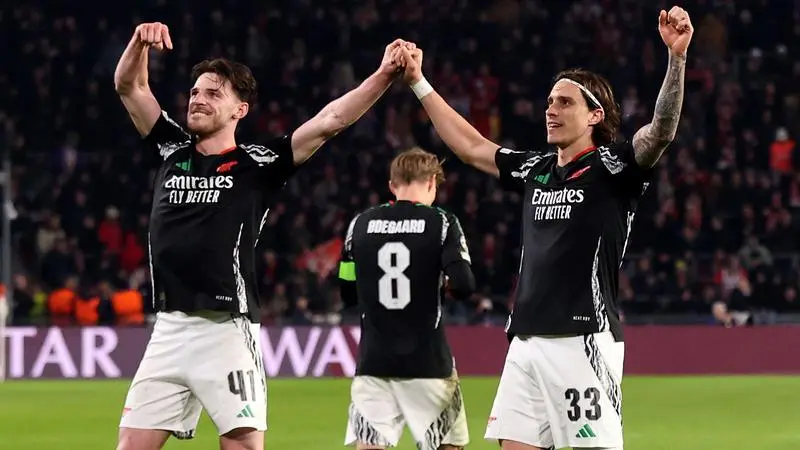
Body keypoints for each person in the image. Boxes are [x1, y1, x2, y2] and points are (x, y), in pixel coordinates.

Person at [394, 6, 693, 450]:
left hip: (584, 338)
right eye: (550, 102)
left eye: (565, 102)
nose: (551, 110)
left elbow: (662, 131)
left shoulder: (614, 167)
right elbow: (472, 146)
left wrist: (677, 58)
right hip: (526, 339)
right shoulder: (536, 169)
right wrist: (419, 82)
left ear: (595, 116)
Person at [113, 22, 406, 450]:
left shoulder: (259, 162)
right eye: (195, 91)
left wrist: (384, 74)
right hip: (169, 328)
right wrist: (139, 42)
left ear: (240, 110)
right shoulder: (171, 149)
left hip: (226, 331)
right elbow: (130, 86)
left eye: (213, 93)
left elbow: (330, 121)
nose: (198, 99)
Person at [338, 148, 475, 450]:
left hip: (373, 361)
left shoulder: (360, 224)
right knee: (446, 445)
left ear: (392, 185)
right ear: (432, 183)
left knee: (370, 445)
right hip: (428, 361)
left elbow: (346, 290)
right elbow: (464, 284)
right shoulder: (442, 222)